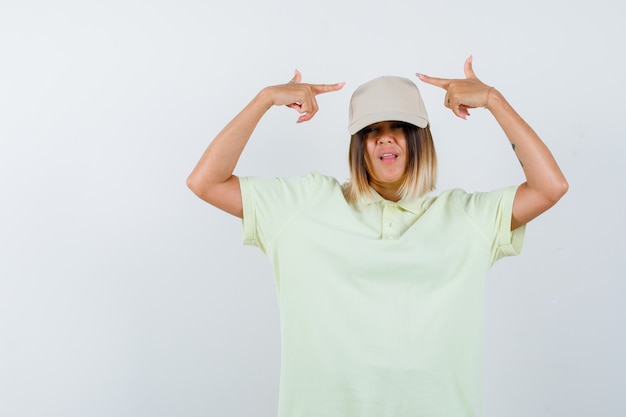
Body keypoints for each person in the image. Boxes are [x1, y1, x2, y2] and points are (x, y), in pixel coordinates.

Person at [187, 56, 568, 417]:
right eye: (372, 131)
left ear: (420, 139)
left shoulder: (465, 217)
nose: (386, 140)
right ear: (358, 146)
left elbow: (550, 187)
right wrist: (264, 99)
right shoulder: (305, 205)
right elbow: (205, 182)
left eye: (399, 128)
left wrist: (493, 100)